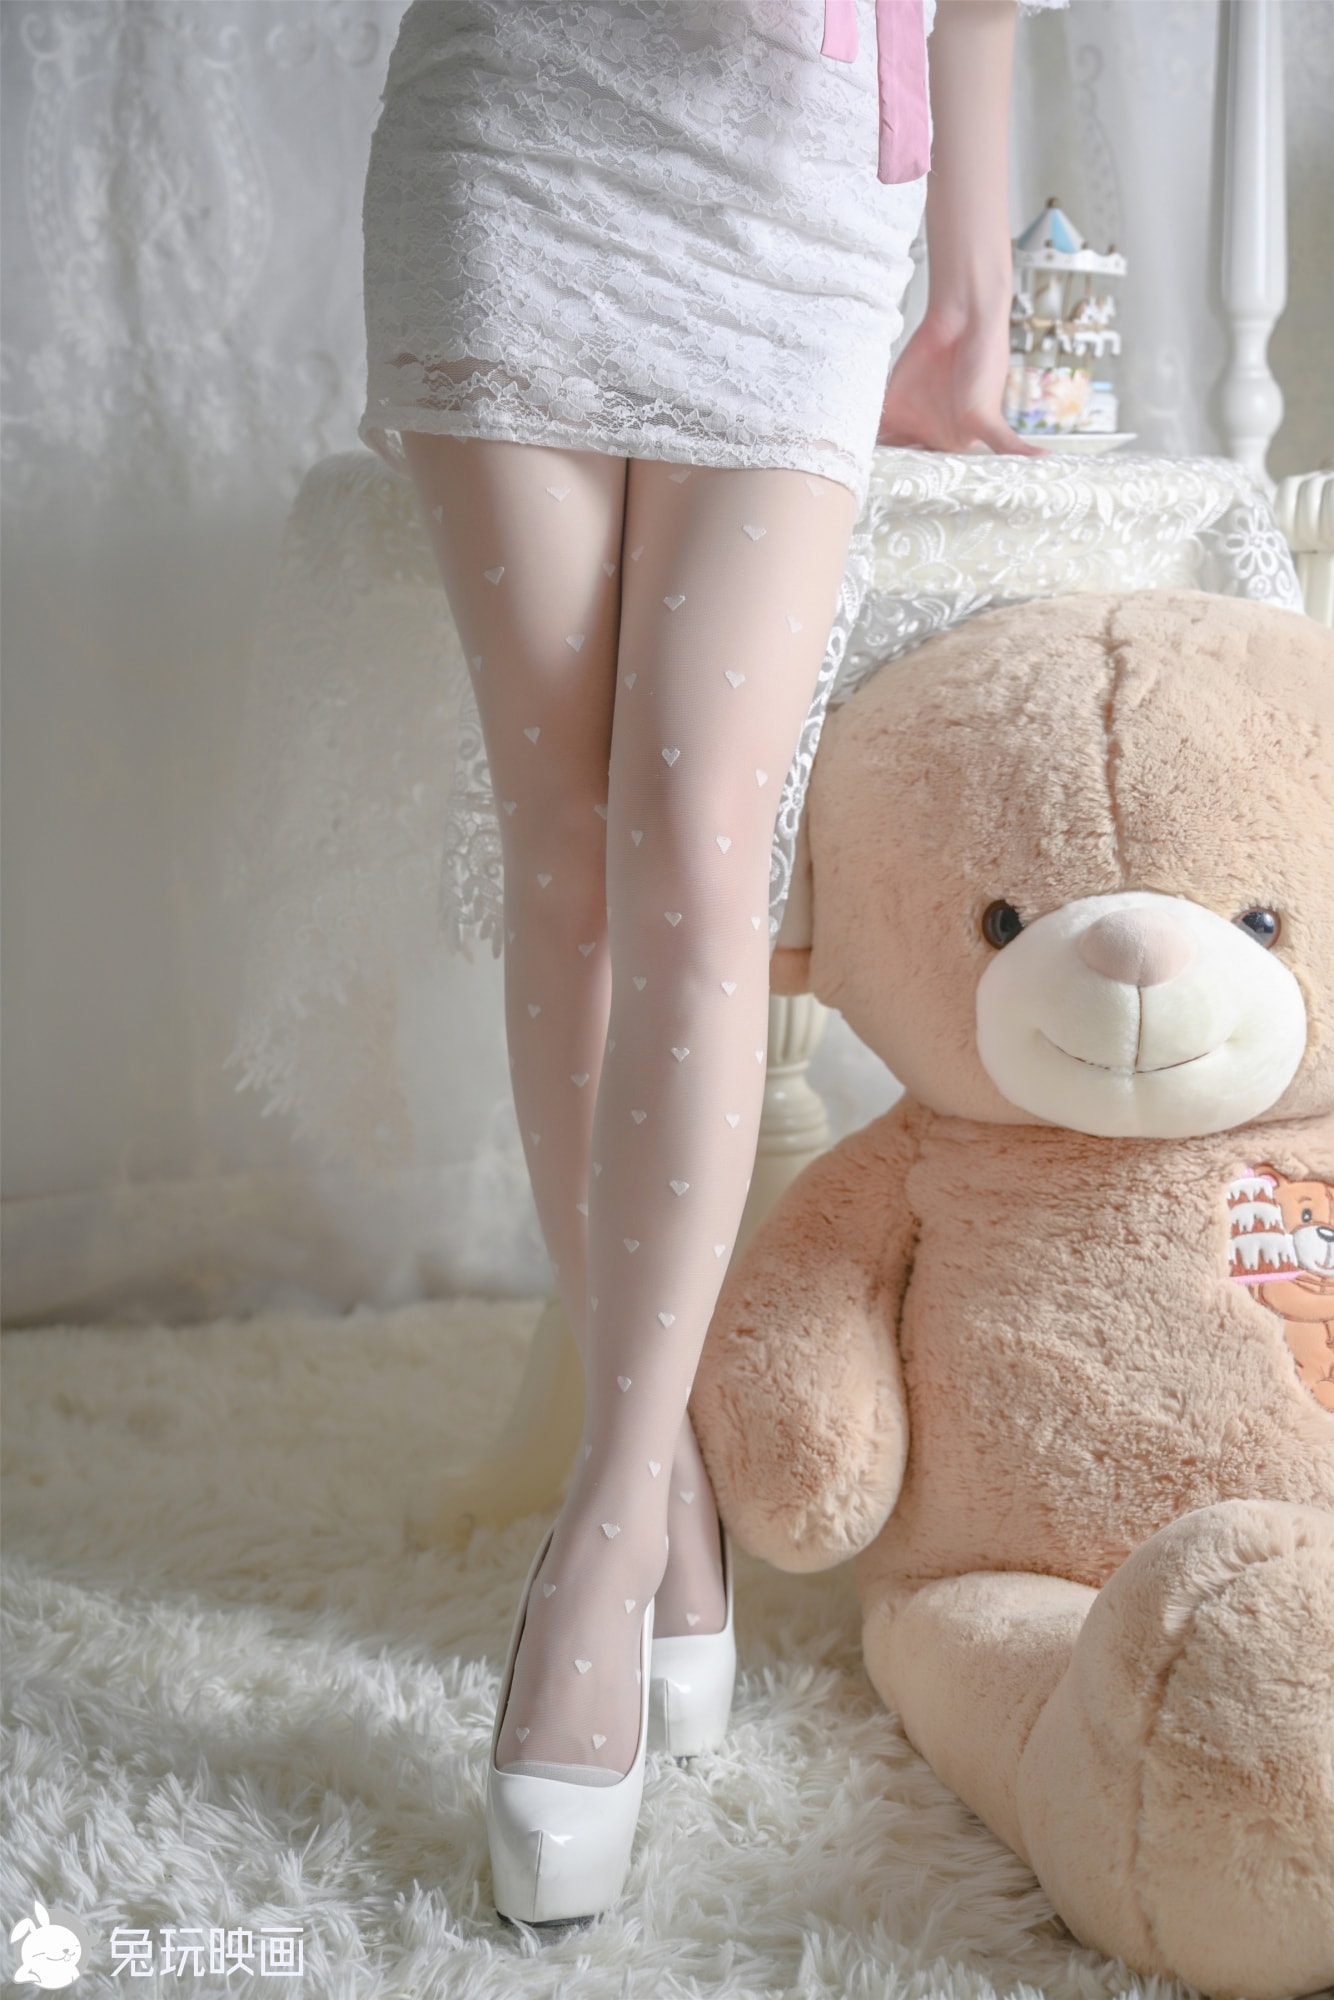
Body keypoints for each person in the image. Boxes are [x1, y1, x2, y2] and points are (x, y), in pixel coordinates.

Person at [358, 0, 1055, 1927]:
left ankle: (604, 1531)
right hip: (519, 128)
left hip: (798, 196)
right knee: (568, 850)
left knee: (696, 851)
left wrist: (967, 282)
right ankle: (643, 1489)